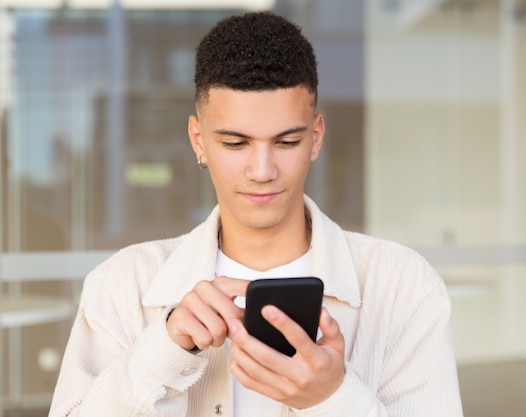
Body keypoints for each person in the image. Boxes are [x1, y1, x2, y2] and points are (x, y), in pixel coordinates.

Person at [49, 11, 463, 417]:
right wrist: (162, 352)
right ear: (198, 140)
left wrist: (333, 397)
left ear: (315, 138)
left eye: (286, 142)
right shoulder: (122, 285)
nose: (262, 171)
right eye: (235, 143)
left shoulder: (404, 286)